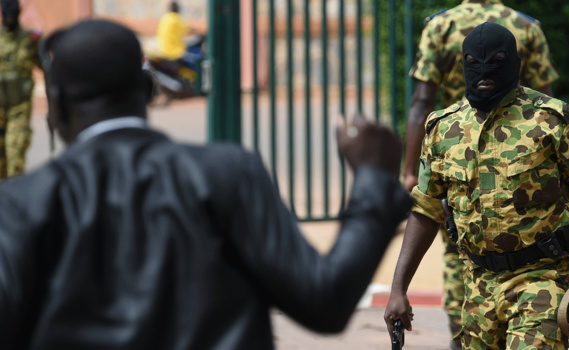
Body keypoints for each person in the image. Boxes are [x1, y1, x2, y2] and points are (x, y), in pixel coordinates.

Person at [0, 20, 412, 349]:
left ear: (54, 105)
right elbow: (325, 301)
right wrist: (373, 180)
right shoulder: (227, 173)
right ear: (146, 91)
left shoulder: (18, 205)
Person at [385, 22, 569, 349]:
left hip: (542, 280)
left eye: (496, 61)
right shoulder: (443, 129)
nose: (484, 72)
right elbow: (425, 210)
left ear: (514, 63)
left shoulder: (556, 121)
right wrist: (398, 289)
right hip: (478, 288)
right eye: (473, 62)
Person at [400, 2, 560, 347]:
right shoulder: (526, 26)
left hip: (454, 156)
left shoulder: (440, 27)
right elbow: (546, 97)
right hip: (522, 159)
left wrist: (409, 172)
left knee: (460, 255)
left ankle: (464, 333)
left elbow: (422, 100)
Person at [0, 0, 42, 180]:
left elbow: (47, 69)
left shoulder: (30, 41)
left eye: (13, 10)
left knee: (15, 156)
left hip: (19, 110)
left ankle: (12, 201)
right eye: (6, 10)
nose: (10, 14)